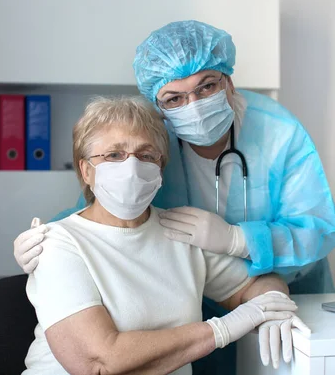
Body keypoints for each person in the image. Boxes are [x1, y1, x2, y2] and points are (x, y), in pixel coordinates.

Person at [16, 21, 335, 373]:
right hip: (197, 330)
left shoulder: (277, 133)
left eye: (207, 87)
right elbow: (101, 221)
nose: (194, 106)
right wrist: (46, 241)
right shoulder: (157, 130)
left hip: (271, 313)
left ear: (228, 82)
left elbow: (311, 231)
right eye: (175, 98)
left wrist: (243, 248)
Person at [23, 96, 309, 375]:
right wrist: (222, 329)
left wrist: (272, 302)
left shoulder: (180, 230)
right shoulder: (61, 245)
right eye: (114, 155)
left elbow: (255, 284)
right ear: (86, 170)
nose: (131, 167)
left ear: (160, 169)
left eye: (146, 155)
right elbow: (98, 362)